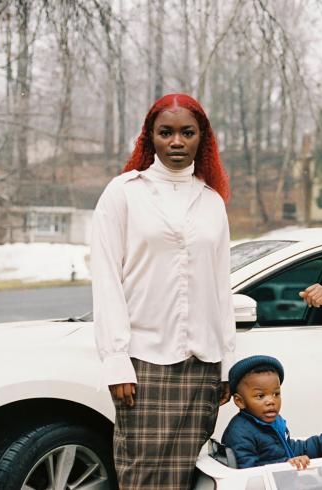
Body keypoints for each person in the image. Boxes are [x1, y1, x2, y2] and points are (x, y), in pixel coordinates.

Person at [91, 93, 236, 489]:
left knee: (191, 474)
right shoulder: (124, 193)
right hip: (144, 361)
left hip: (202, 363)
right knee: (142, 475)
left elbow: (219, 287)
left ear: (201, 139)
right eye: (165, 132)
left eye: (187, 133)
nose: (176, 142)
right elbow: (106, 278)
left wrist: (226, 360)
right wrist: (117, 358)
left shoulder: (211, 202)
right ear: (149, 137)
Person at [222, 355, 322, 469]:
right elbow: (247, 470)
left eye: (276, 394)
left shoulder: (275, 421)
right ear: (240, 401)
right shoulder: (240, 432)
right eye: (260, 396)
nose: (271, 401)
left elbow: (292, 449)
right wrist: (286, 464)